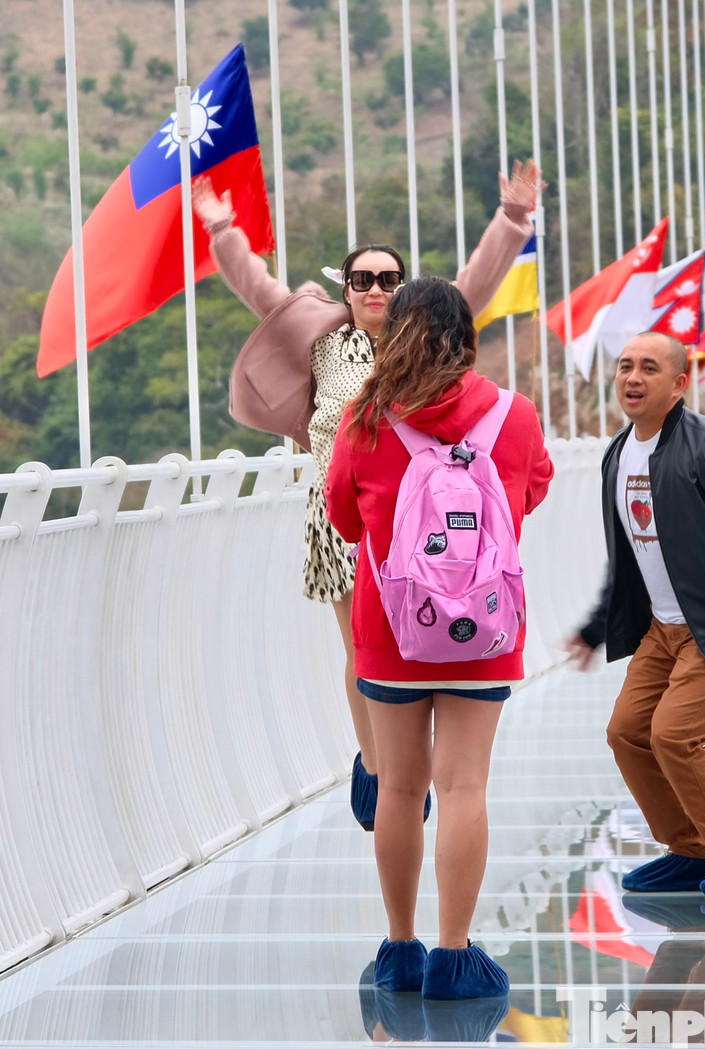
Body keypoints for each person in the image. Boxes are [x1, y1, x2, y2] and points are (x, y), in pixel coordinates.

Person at [193, 161, 541, 832]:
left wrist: (514, 218)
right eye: (363, 279)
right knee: (362, 649)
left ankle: (404, 764)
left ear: (402, 287)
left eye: (388, 278)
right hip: (343, 516)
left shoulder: (425, 342)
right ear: (345, 287)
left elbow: (476, 283)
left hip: (419, 515)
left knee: (416, 636)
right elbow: (257, 286)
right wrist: (223, 229)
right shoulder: (321, 338)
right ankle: (383, 766)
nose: (376, 289)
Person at [325, 276, 553, 999]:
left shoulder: (364, 418)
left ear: (393, 336)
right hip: (483, 631)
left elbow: (344, 519)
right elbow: (532, 491)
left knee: (398, 787)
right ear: (468, 337)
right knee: (464, 785)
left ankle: (399, 949)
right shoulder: (513, 415)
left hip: (392, 631)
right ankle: (455, 957)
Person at [568, 332, 705, 897]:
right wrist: (596, 628)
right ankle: (690, 850)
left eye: (649, 367)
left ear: (680, 383)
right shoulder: (618, 453)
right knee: (627, 733)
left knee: (675, 735)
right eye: (625, 367)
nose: (633, 378)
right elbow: (625, 554)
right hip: (660, 630)